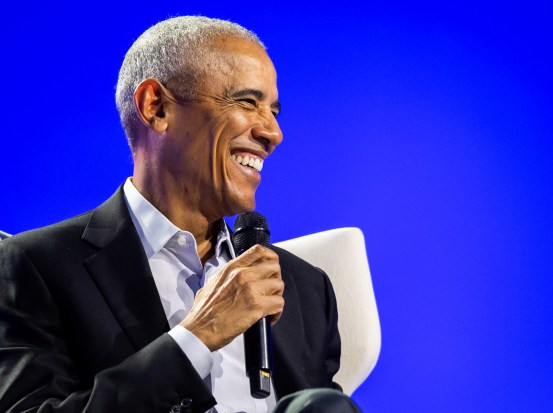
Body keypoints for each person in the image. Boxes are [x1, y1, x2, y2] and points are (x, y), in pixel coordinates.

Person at [0, 16, 360, 413]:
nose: (273, 133)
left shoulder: (305, 289)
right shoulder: (35, 267)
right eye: (246, 102)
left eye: (274, 110)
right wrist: (198, 335)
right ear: (155, 107)